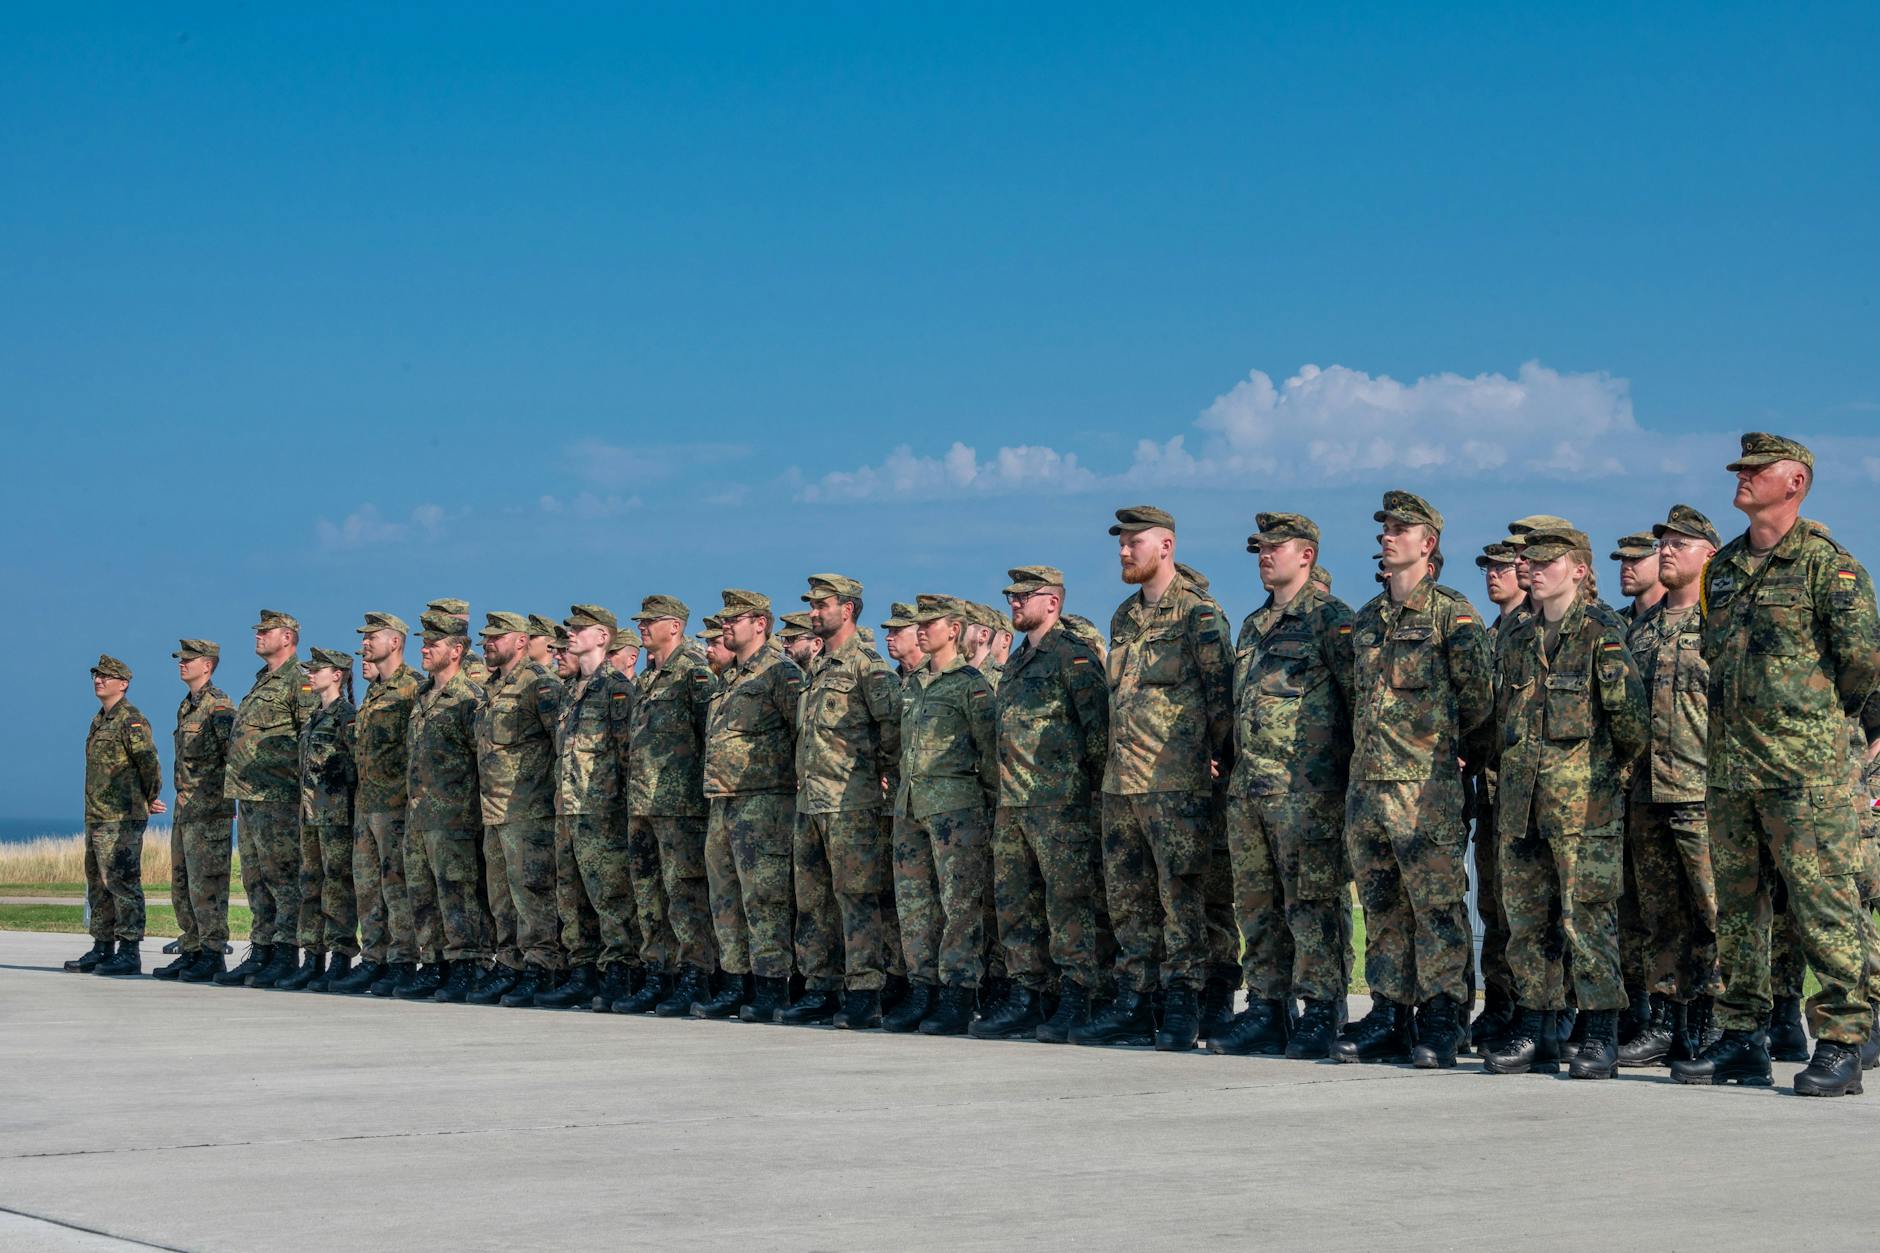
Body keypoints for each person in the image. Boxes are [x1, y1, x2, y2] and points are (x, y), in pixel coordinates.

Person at [1674, 433, 1879, 1097]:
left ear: (1794, 482)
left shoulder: (1829, 567)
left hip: (1804, 771)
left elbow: (1862, 664)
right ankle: (1741, 1036)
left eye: (1756, 471)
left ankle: (1844, 1036)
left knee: (1823, 906)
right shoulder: (1724, 568)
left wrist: (1812, 725)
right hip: (1732, 769)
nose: (1742, 478)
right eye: (1741, 469)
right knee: (1737, 911)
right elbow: (1713, 653)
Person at [1334, 493, 1493, 1067]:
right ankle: (1388, 1011)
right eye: (1384, 528)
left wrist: (1454, 757)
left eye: (1400, 529)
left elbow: (1480, 703)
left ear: (1427, 544)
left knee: (1437, 907)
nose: (1387, 536)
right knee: (1381, 908)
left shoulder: (1454, 615)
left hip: (1425, 792)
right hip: (1369, 788)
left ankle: (1444, 1015)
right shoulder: (1368, 619)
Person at [1482, 527, 1648, 1078]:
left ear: (1578, 569)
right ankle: (1536, 1028)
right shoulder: (1514, 637)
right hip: (1521, 804)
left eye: (1548, 561)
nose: (1533, 568)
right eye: (1530, 560)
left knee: (1588, 920)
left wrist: (1602, 782)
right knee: (1527, 922)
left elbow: (1630, 724)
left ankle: (1600, 1030)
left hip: (1584, 810)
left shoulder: (1602, 632)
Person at [1075, 506, 1232, 1052]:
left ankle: (1185, 1001)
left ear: (1166, 545)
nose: (1123, 551)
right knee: (1127, 898)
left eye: (1133, 542)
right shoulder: (1123, 617)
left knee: (1181, 896)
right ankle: (1134, 1002)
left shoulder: (1199, 614)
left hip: (1176, 783)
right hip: (1122, 783)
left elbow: (1221, 697)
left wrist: (1207, 757)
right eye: (1120, 542)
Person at [1212, 513, 1355, 1059]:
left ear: (1307, 555)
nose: (1264, 555)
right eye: (1259, 548)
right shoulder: (1252, 625)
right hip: (1251, 791)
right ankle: (1268, 1008)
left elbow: (1354, 701)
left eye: (1276, 547)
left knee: (1312, 905)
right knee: (1257, 906)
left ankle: (1322, 1009)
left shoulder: (1331, 620)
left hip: (1308, 792)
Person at [977, 567, 1109, 1042]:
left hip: (1060, 805)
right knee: (1016, 905)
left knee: (1068, 904)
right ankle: (1027, 993)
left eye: (1024, 597)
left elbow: (1098, 735)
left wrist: (1084, 797)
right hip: (1013, 807)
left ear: (1052, 603)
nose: (1014, 604)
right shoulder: (1015, 662)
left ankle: (1076, 993)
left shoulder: (1072, 658)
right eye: (1010, 597)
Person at [1617, 505, 1722, 1066]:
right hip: (1647, 795)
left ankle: (1713, 1021)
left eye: (1681, 543)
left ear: (1710, 552)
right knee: (1658, 916)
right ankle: (1664, 1020)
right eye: (1664, 544)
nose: (1667, 551)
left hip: (1703, 793)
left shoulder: (1721, 623)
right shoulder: (1641, 629)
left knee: (1713, 913)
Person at [793, 573, 903, 1028]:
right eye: (813, 606)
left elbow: (892, 730)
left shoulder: (868, 666)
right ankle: (820, 987)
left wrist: (881, 783)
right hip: (811, 805)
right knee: (812, 902)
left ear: (849, 609)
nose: (815, 613)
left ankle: (863, 991)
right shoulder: (818, 669)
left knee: (856, 899)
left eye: (824, 605)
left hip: (851, 803)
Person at [886, 595, 997, 1034]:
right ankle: (922, 987)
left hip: (956, 808)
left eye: (930, 623)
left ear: (953, 630)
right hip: (910, 806)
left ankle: (958, 992)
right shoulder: (911, 685)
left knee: (959, 905)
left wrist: (986, 805)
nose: (920, 630)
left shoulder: (970, 684)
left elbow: (989, 752)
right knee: (915, 906)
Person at [700, 590, 805, 1023]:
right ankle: (736, 981)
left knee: (764, 900)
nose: (726, 625)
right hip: (722, 802)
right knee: (725, 899)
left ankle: (772, 985)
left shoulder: (780, 673)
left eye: (735, 619)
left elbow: (801, 730)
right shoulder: (729, 678)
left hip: (765, 802)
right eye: (724, 620)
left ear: (760, 623)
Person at [623, 595, 724, 1017]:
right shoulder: (649, 679)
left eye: (652, 621)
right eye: (642, 621)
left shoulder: (693, 673)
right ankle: (657, 972)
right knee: (649, 894)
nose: (644, 627)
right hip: (643, 804)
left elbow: (710, 739)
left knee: (684, 894)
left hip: (680, 806)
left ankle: (695, 975)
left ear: (675, 627)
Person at [538, 605, 640, 1010]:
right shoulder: (568, 691)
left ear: (603, 637)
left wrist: (620, 809)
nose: (571, 635)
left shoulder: (616, 688)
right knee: (571, 896)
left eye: (580, 630)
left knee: (611, 896)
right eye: (569, 629)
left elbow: (626, 752)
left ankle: (619, 972)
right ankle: (582, 971)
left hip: (602, 812)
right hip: (568, 809)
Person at [473, 611, 564, 1007]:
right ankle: (511, 965)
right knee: (502, 898)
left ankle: (542, 968)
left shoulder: (539, 684)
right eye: (486, 637)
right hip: (493, 810)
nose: (488, 643)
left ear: (522, 642)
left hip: (528, 810)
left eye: (497, 636)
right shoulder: (491, 687)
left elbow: (558, 743)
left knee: (533, 894)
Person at [218, 610, 312, 989]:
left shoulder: (299, 680)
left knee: (283, 878)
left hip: (280, 798)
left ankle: (286, 952)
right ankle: (262, 949)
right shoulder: (263, 680)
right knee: (255, 879)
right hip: (251, 798)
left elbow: (307, 735)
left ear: (287, 637)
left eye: (266, 631)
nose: (258, 636)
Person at [332, 612, 424, 996]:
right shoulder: (375, 692)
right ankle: (374, 958)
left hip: (396, 806)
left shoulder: (413, 688)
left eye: (373, 637)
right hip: (366, 805)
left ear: (395, 643)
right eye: (365, 637)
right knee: (368, 886)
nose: (365, 643)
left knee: (396, 886)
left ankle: (402, 960)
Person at [403, 611, 492, 1003]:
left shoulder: (468, 699)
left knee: (457, 894)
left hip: (454, 817)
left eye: (433, 644)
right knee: (423, 895)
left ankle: (466, 965)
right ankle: (434, 962)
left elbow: (481, 760)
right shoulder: (423, 696)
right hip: (420, 816)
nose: (424, 649)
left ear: (456, 651)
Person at [68, 655, 163, 977]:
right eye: (96, 675)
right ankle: (102, 946)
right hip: (97, 815)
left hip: (122, 817)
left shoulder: (130, 720)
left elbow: (148, 763)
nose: (99, 680)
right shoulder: (100, 720)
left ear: (123, 684)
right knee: (98, 885)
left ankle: (129, 950)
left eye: (107, 676)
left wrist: (147, 797)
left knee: (121, 883)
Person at [1465, 542, 1525, 1049]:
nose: (1496, 574)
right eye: (1488, 567)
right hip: (1490, 793)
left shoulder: (1534, 632)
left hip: (1527, 792)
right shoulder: (1489, 635)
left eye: (1505, 565)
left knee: (1530, 909)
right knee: (1492, 904)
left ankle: (1539, 1009)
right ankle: (1501, 1003)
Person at [153, 640, 235, 983]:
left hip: (209, 812)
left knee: (207, 885)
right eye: (180, 659)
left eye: (190, 659)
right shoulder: (187, 707)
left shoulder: (219, 707)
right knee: (183, 884)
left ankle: (212, 953)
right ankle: (192, 948)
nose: (182, 664)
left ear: (208, 665)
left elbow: (231, 757)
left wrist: (222, 802)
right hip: (185, 810)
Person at [282, 648, 359, 991]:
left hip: (336, 814)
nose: (310, 675)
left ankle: (339, 956)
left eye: (318, 670)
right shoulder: (314, 717)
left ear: (337, 676)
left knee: (337, 885)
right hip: (310, 815)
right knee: (310, 884)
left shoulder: (346, 716)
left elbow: (356, 768)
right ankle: (312, 956)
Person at [1613, 532, 1664, 623]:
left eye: (1635, 559)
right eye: (1623, 560)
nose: (1625, 566)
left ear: (1662, 560)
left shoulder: (1686, 617)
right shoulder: (1614, 624)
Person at [882, 603, 926, 678]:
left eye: (897, 631)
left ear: (919, 636)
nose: (888, 638)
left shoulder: (938, 673)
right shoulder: (893, 681)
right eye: (889, 631)